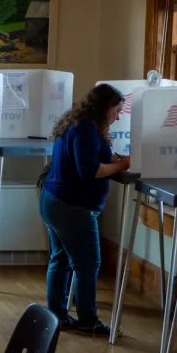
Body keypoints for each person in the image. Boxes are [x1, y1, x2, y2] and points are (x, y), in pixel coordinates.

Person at [40, 83, 130, 337]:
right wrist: (124, 166)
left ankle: (57, 313)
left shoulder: (80, 124)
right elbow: (92, 171)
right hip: (72, 207)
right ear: (104, 108)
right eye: (116, 110)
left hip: (56, 202)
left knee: (61, 260)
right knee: (87, 263)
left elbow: (101, 157)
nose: (118, 116)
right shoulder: (86, 130)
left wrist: (119, 159)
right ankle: (88, 320)